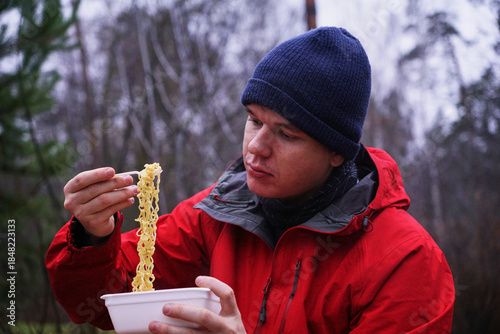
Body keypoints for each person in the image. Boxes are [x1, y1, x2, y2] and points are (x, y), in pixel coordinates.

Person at [46, 27, 455, 333]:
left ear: (337, 152)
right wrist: (93, 237)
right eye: (254, 120)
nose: (255, 148)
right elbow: (101, 305)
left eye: (286, 134)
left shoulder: (406, 262)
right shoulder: (216, 215)